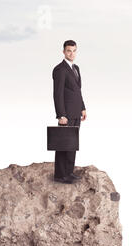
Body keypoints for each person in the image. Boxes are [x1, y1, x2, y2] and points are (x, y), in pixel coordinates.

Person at [52, 39, 87, 184]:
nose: (71, 54)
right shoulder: (60, 69)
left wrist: (83, 107)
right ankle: (60, 175)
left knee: (72, 144)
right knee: (63, 145)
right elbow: (57, 93)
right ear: (63, 52)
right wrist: (61, 115)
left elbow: (77, 91)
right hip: (66, 114)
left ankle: (69, 172)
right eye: (68, 51)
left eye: (74, 51)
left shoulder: (76, 68)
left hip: (76, 112)